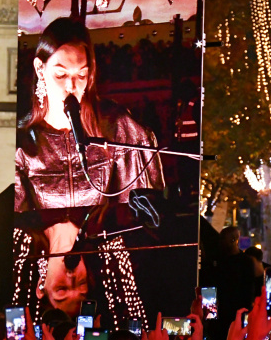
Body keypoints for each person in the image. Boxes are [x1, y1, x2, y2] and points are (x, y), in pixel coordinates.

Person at [13, 17, 164, 321]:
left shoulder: (116, 127)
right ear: (40, 69)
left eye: (81, 74)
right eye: (61, 73)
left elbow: (150, 205)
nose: (72, 85)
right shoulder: (21, 144)